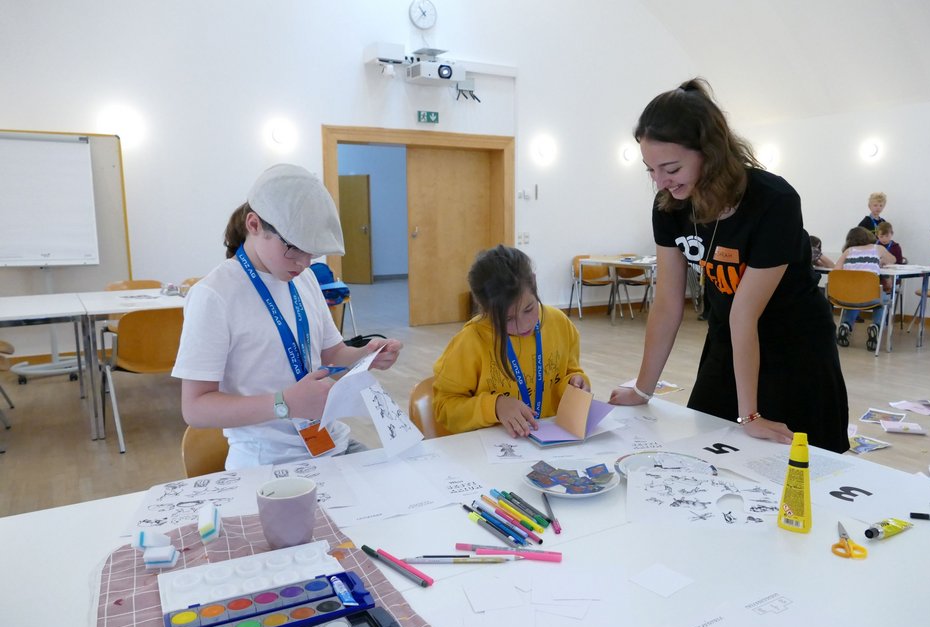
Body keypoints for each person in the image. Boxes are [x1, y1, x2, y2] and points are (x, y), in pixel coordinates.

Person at [609, 78, 848, 454]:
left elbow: (745, 313)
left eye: (670, 168)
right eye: (650, 170)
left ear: (710, 151)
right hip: (728, 340)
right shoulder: (669, 207)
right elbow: (668, 303)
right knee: (706, 450)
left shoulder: (774, 201)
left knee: (801, 461)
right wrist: (642, 388)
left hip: (794, 345)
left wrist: (750, 415)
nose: (660, 181)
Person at [172, 164, 403, 468]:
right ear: (254, 225)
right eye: (294, 248)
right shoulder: (214, 295)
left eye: (312, 252)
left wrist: (365, 356)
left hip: (334, 444)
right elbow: (196, 408)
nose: (304, 262)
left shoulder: (302, 278)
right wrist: (286, 404)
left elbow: (331, 352)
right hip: (268, 462)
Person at [433, 245, 589, 438]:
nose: (523, 325)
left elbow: (570, 372)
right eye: (507, 319)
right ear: (483, 308)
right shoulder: (471, 341)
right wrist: (495, 406)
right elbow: (444, 408)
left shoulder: (560, 324)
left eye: (529, 309)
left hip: (552, 442)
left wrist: (575, 383)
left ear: (533, 282)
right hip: (494, 449)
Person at [833, 227, 896, 351]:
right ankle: (875, 326)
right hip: (870, 297)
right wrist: (881, 261)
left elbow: (837, 271)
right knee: (883, 299)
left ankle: (845, 325)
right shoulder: (878, 248)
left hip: (846, 297)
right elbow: (893, 260)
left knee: (854, 298)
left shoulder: (848, 251)